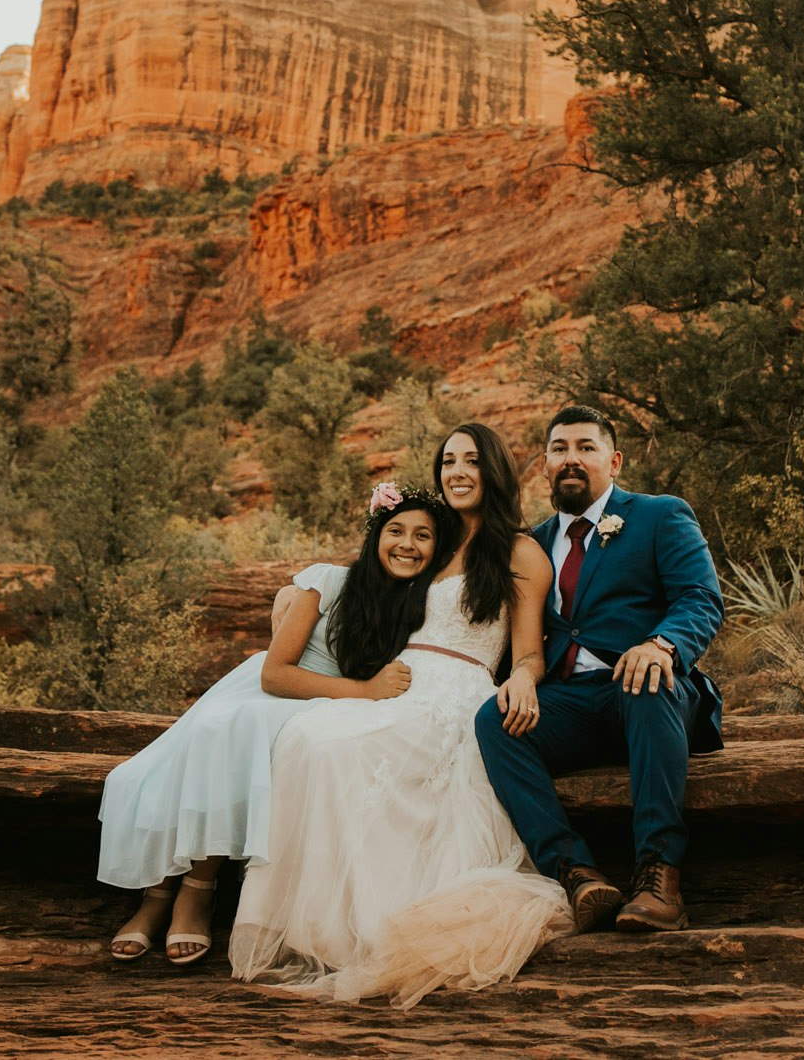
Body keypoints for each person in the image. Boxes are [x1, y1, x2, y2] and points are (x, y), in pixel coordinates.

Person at [231, 428, 571, 1006]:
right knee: (308, 736)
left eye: (470, 461)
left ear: (493, 471)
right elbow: (369, 578)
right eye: (447, 461)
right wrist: (293, 599)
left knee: (345, 750)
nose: (457, 471)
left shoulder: (518, 550)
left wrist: (522, 676)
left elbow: (530, 649)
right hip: (398, 679)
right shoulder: (432, 543)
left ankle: (372, 930)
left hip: (459, 692)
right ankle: (321, 928)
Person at [95, 491, 440, 963]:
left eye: (423, 536)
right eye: (395, 531)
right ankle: (163, 897)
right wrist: (365, 690)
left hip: (327, 710)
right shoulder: (330, 582)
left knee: (239, 735)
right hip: (276, 693)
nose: (407, 544)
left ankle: (195, 891)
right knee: (224, 727)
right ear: (374, 536)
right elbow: (274, 674)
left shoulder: (424, 608)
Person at [474, 404, 725, 934]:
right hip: (572, 702)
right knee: (492, 722)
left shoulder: (660, 515)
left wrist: (661, 645)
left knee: (646, 684)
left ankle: (659, 877)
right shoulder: (530, 545)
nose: (572, 459)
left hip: (653, 692)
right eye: (560, 449)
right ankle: (575, 873)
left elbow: (701, 597)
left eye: (586, 448)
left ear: (614, 462)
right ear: (544, 465)